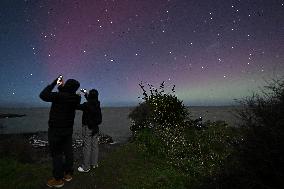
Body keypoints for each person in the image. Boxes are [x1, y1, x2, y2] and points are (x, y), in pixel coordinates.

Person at [39, 76, 81, 188]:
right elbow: (67, 95)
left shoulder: (58, 96)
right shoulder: (76, 98)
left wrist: (54, 83)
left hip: (55, 130)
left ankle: (58, 179)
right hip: (68, 130)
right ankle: (68, 173)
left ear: (67, 85)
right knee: (68, 151)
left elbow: (42, 95)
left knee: (57, 154)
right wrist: (61, 87)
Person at [76, 89, 102, 172]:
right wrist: (86, 94)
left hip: (87, 128)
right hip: (95, 128)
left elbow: (76, 105)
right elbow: (92, 101)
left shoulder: (86, 105)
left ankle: (86, 167)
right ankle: (94, 164)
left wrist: (78, 96)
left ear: (90, 96)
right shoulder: (97, 104)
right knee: (95, 145)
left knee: (86, 147)